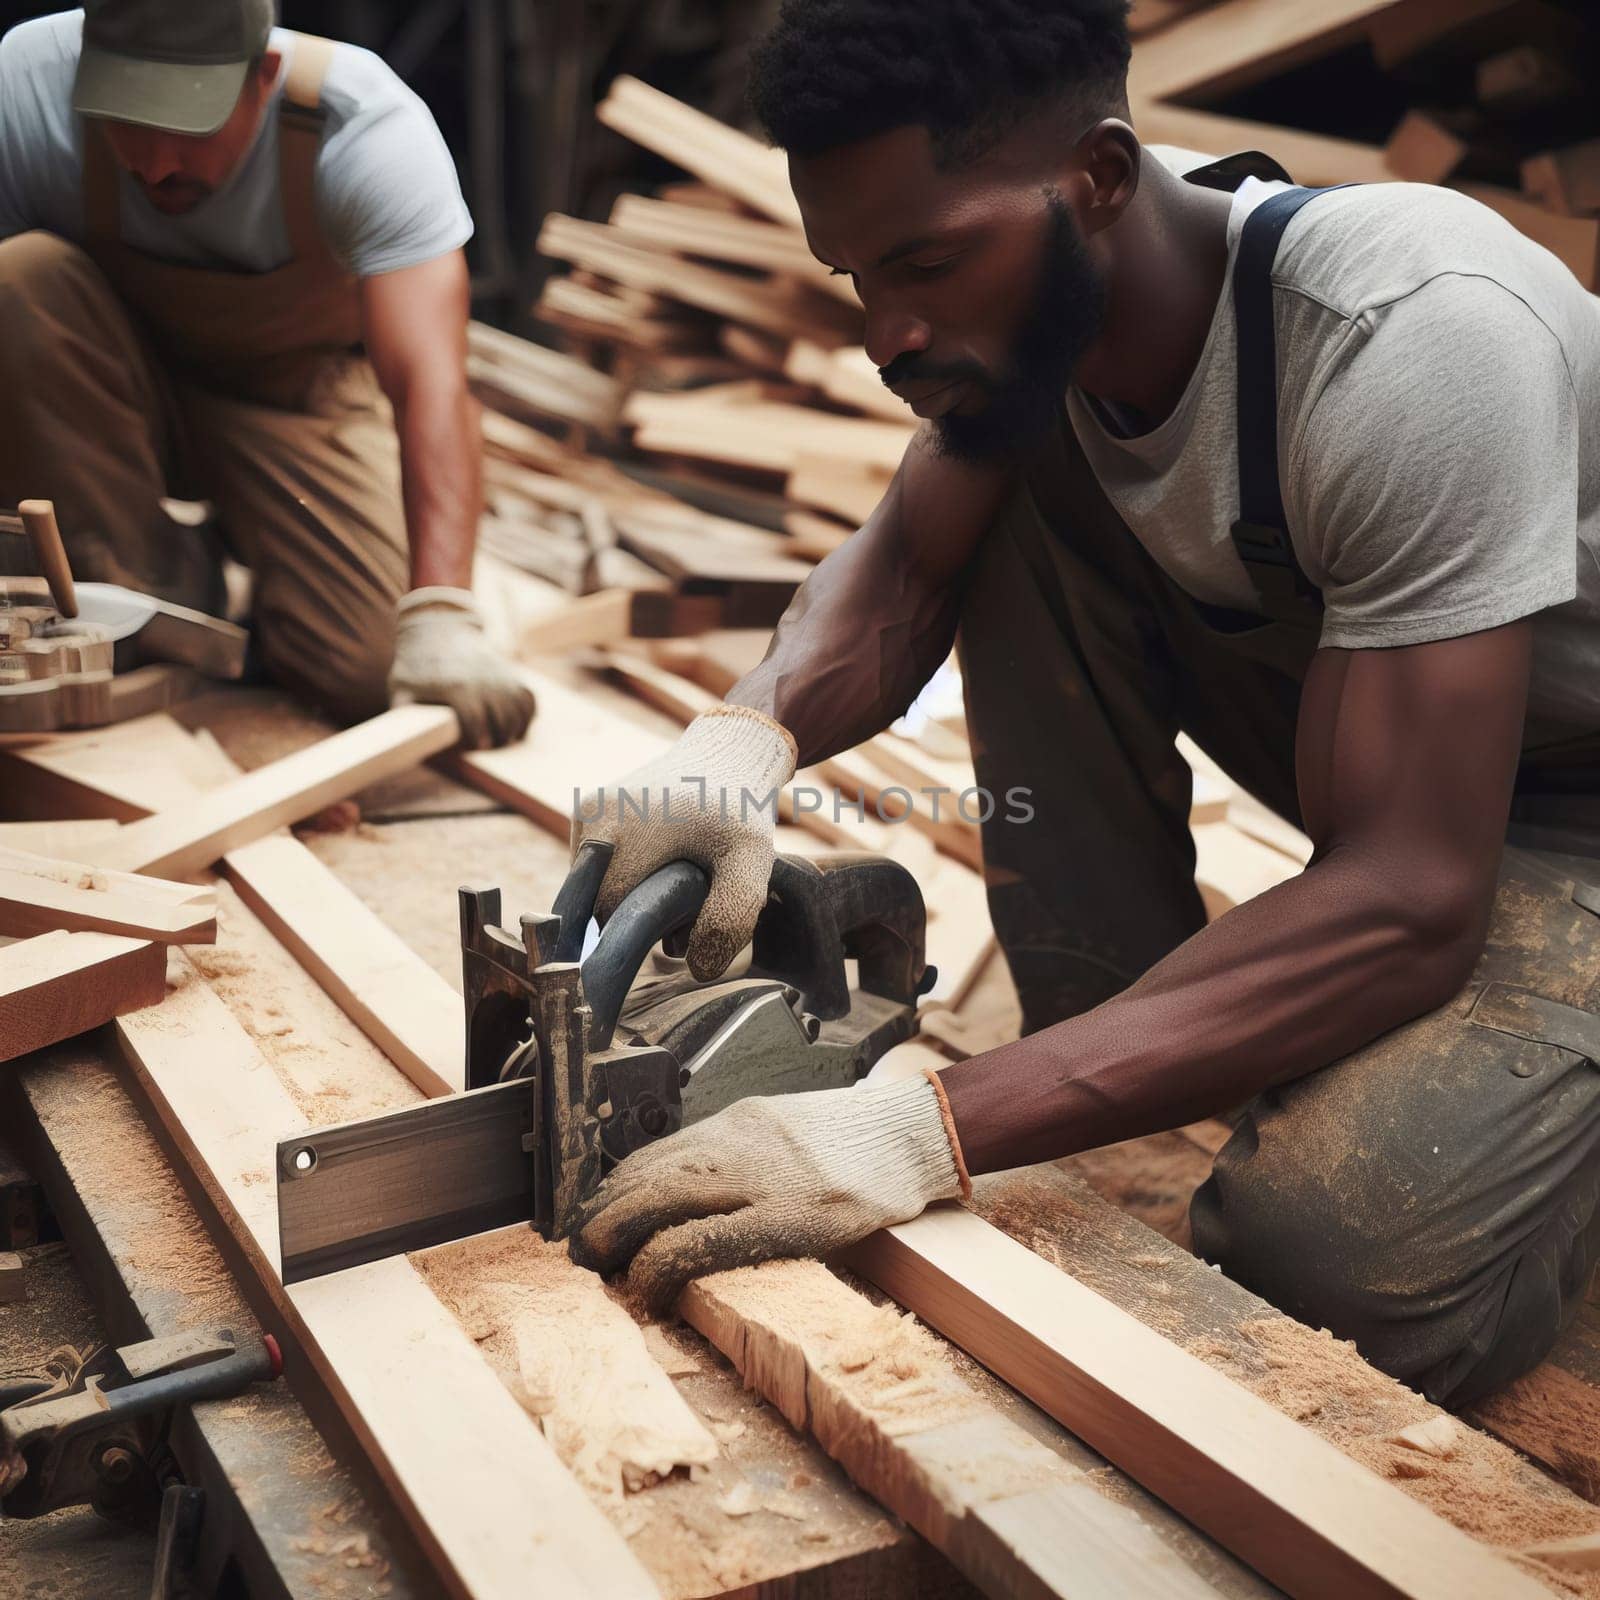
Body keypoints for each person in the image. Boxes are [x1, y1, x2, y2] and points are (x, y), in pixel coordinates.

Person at [569, 0, 1600, 1409]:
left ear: (1103, 176)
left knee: (1336, 1270)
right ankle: (1111, 1056)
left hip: (1562, 814)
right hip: (1401, 757)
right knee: (1011, 501)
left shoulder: (1409, 335)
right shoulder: (1043, 323)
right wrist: (735, 745)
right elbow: (897, 573)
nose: (887, 334)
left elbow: (1413, 899)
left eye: (926, 262)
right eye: (857, 273)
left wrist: (917, 1132)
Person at [0, 0, 534, 746]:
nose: (154, 163)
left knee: (365, 667)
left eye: (186, 125)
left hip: (292, 405)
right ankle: (150, 585)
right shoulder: (27, 79)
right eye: (124, 120)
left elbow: (431, 385)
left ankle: (246, 554)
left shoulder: (365, 128)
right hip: (108, 389)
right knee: (17, 279)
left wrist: (442, 608)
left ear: (265, 76)